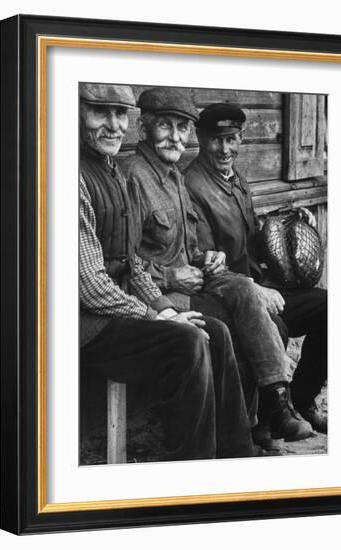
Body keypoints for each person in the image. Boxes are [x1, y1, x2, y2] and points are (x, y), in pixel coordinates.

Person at [122, 87, 314, 444]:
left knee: (244, 290)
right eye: (165, 126)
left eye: (181, 128)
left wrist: (208, 257)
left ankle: (276, 405)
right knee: (248, 324)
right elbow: (124, 262)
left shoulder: (175, 177)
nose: (175, 136)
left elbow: (190, 246)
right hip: (162, 295)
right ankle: (245, 433)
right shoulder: (134, 177)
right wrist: (169, 275)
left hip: (194, 280)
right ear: (143, 129)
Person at [79, 82, 256, 461]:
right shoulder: (76, 177)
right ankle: (191, 468)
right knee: (187, 341)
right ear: (78, 113)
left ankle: (237, 457)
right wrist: (157, 314)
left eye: (119, 114)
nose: (112, 125)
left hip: (117, 312)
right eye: (100, 112)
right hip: (84, 326)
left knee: (214, 331)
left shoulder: (112, 172)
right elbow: (91, 287)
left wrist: (168, 309)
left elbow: (132, 264)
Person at [183, 102, 327, 434]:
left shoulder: (236, 179)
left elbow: (251, 237)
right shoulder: (192, 186)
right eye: (216, 140)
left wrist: (290, 220)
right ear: (200, 137)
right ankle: (268, 421)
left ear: (241, 138)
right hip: (230, 297)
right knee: (275, 326)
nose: (224, 148)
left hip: (262, 285)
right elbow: (204, 259)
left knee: (331, 308)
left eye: (231, 139)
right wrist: (257, 290)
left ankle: (302, 401)